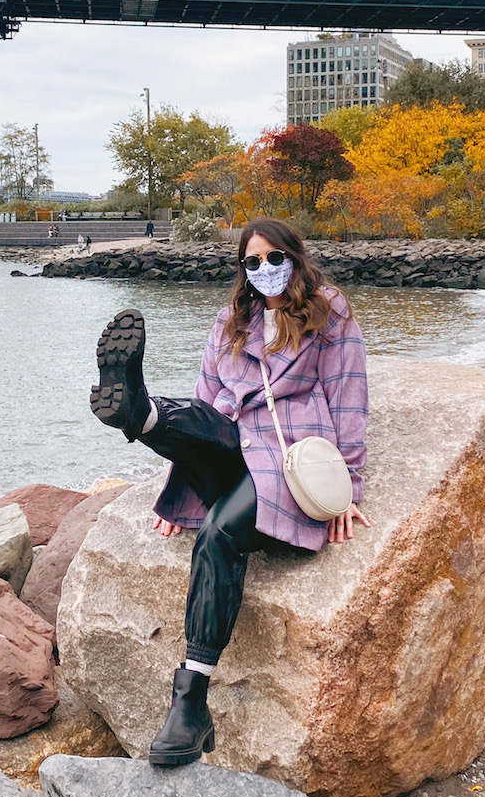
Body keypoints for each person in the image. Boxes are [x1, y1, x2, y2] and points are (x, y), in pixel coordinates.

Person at [89, 216, 370, 768]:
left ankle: (190, 700)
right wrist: (183, 492)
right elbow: (208, 397)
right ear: (242, 269)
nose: (264, 270)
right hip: (228, 441)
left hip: (285, 456)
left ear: (294, 256)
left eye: (273, 258)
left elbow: (348, 398)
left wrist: (347, 489)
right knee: (191, 417)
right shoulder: (230, 321)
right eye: (252, 262)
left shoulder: (328, 311)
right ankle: (139, 411)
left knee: (218, 535)